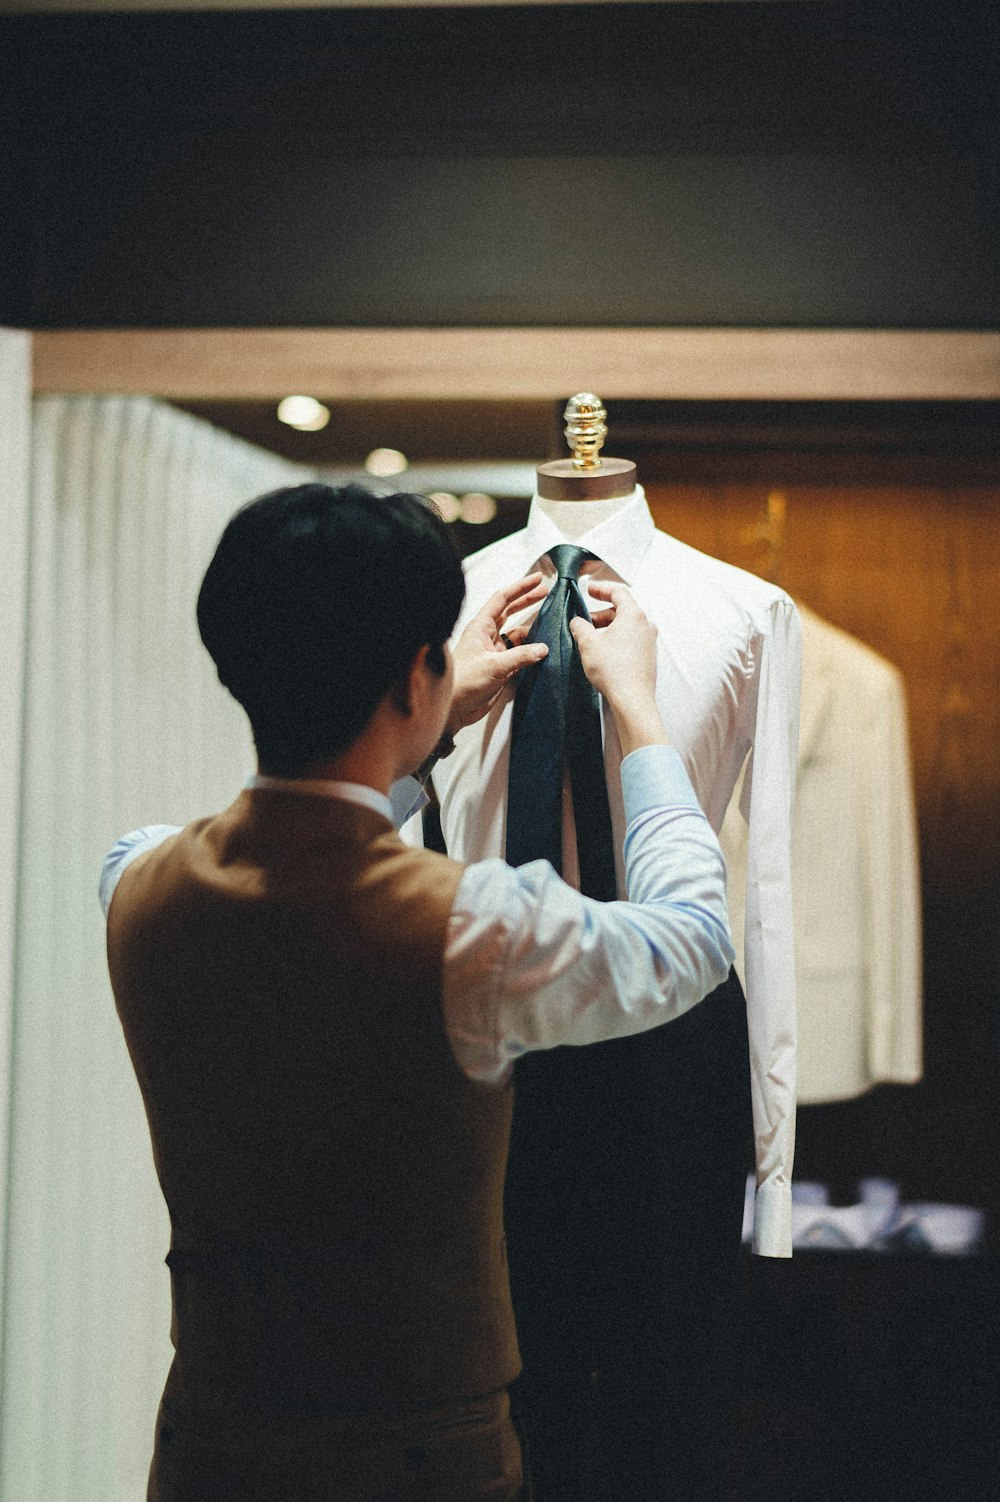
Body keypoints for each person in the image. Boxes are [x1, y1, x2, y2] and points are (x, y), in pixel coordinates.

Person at [100, 481, 733, 1502]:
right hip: (419, 1457)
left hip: (210, 1443)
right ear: (414, 674)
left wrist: (416, 734)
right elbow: (689, 942)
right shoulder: (469, 931)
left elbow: (292, 861)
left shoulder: (134, 879)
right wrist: (641, 717)